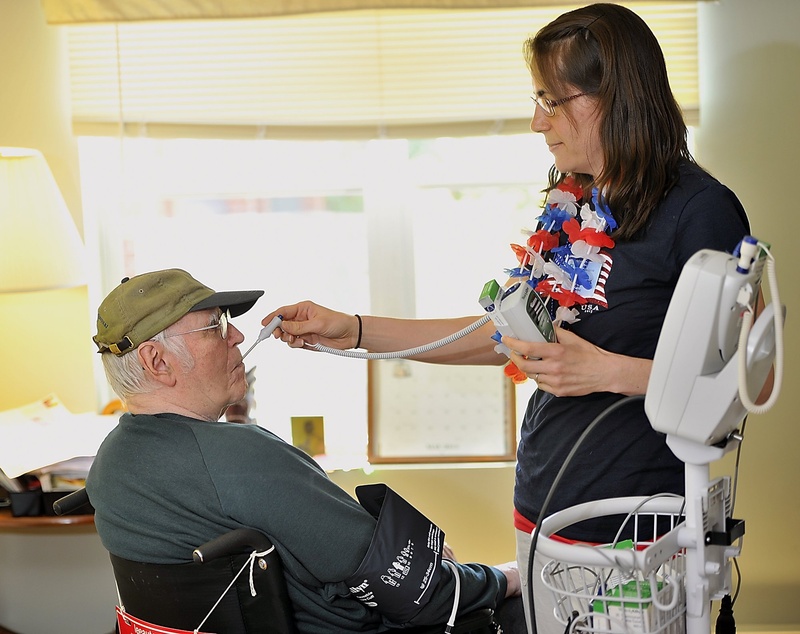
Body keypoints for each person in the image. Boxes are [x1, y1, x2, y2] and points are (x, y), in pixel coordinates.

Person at [260, 4, 765, 633]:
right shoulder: (578, 203)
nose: (536, 122)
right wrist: (356, 330)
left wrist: (607, 371)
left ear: (614, 97)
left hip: (634, 528)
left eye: (552, 102)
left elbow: (750, 380)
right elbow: (505, 339)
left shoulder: (702, 211)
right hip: (545, 511)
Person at [86, 268, 520, 634]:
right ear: (157, 361)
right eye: (215, 326)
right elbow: (415, 589)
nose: (237, 334)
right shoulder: (239, 459)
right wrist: (503, 580)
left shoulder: (111, 464)